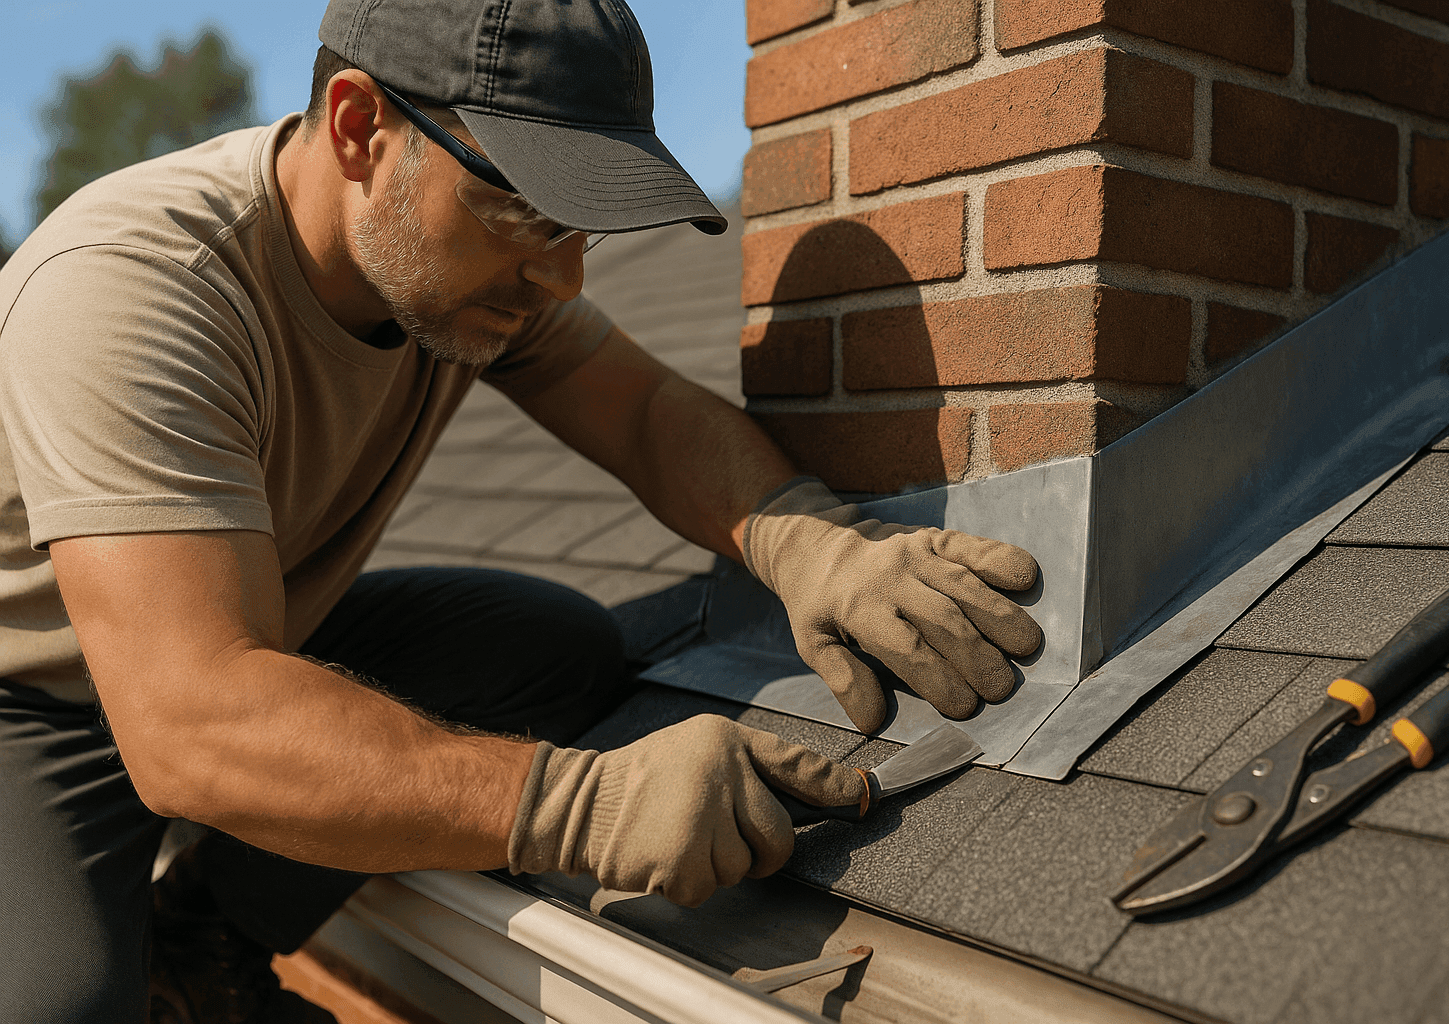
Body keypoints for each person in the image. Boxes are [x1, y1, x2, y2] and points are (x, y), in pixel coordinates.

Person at [0, 0, 1043, 1021]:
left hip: (230, 637)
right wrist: (574, 806)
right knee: (59, 1004)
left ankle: (203, 937)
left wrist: (806, 538)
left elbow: (641, 413)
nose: (563, 275)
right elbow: (192, 722)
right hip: (35, 699)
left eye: (580, 225)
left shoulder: (449, 268)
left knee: (551, 653)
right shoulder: (133, 290)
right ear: (361, 127)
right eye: (524, 212)